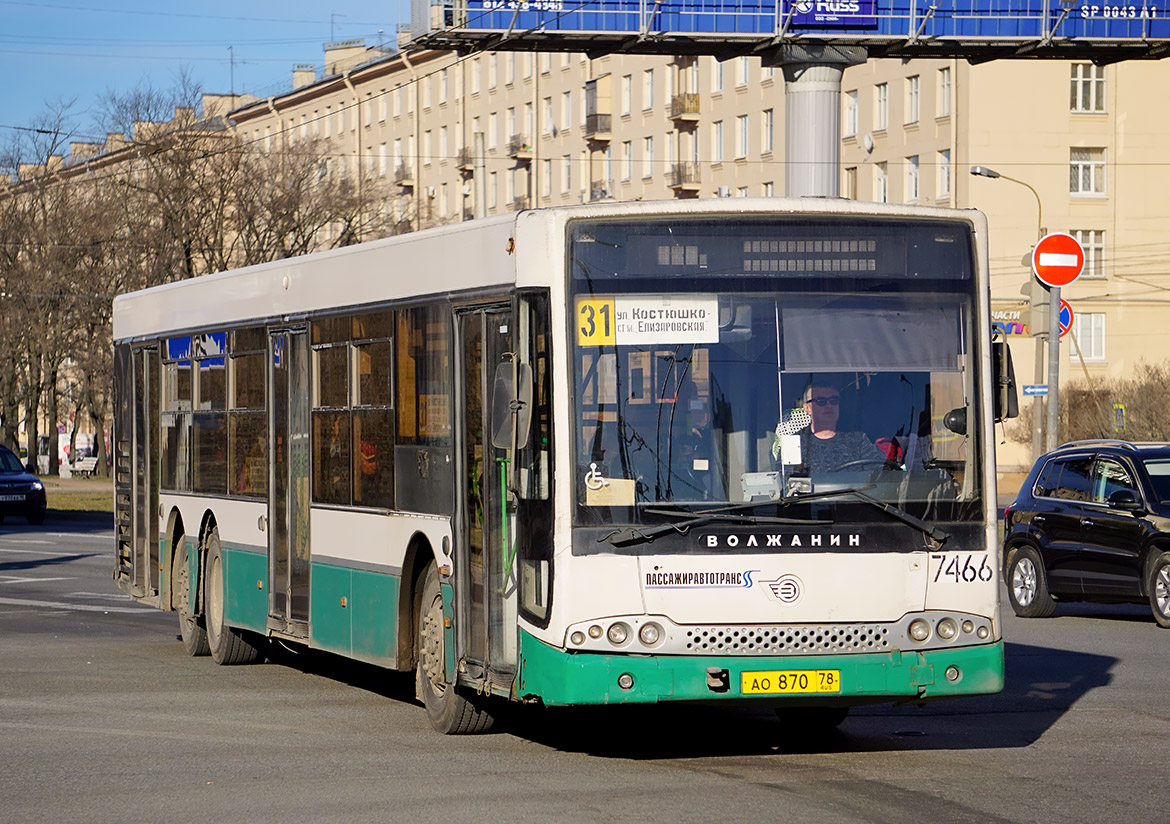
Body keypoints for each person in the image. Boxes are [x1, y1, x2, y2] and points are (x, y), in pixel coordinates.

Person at [778, 380, 886, 472]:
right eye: (821, 401)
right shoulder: (793, 444)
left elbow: (877, 476)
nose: (829, 405)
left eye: (833, 401)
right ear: (807, 408)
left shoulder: (858, 440)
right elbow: (783, 483)